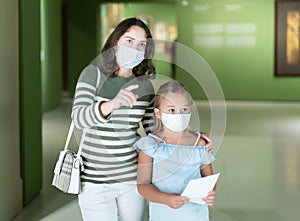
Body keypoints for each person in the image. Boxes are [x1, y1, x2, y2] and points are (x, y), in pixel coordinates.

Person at [71, 17, 212, 221]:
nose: (135, 48)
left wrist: (194, 138)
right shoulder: (93, 74)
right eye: (129, 40)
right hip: (95, 181)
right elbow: (78, 118)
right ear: (115, 41)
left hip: (131, 179)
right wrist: (112, 104)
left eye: (142, 44)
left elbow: (154, 131)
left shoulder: (144, 85)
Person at [134, 81, 216, 221]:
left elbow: (209, 178)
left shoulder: (200, 143)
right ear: (158, 113)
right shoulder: (150, 145)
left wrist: (210, 193)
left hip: (196, 215)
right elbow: (142, 185)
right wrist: (165, 199)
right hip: (163, 215)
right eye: (171, 110)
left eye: (184, 109)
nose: (179, 115)